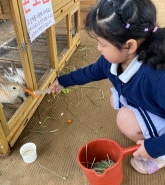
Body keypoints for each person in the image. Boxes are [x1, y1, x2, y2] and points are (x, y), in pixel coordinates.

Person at [49, 0, 165, 174]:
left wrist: (154, 148)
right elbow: (91, 72)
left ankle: (161, 156)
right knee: (114, 99)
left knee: (125, 120)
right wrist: (63, 81)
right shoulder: (112, 61)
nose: (98, 48)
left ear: (130, 45)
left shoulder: (157, 79)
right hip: (147, 98)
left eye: (102, 44)